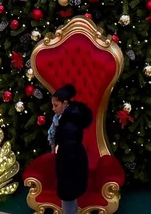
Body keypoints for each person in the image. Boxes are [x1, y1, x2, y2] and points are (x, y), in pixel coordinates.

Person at [48, 84, 92, 214]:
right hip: (72, 161)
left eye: (56, 105)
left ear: (65, 103)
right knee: (70, 198)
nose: (53, 109)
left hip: (70, 165)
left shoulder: (69, 124)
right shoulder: (66, 118)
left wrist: (64, 167)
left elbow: (69, 149)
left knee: (68, 197)